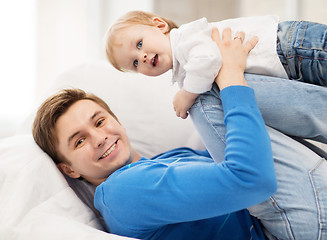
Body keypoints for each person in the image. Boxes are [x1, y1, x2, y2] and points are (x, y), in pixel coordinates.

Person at [33, 27, 327, 239]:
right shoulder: (121, 193)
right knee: (203, 94)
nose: (99, 138)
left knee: (205, 86)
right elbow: (252, 180)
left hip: (293, 211)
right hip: (290, 228)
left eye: (99, 122)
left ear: (117, 121)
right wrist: (232, 78)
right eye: (79, 140)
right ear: (68, 169)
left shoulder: (171, 159)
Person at [105, 10, 327, 119]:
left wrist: (187, 95)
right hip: (289, 61)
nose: (142, 57)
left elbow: (208, 60)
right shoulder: (183, 64)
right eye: (134, 63)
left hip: (289, 46)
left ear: (160, 25)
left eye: (140, 44)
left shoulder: (184, 38)